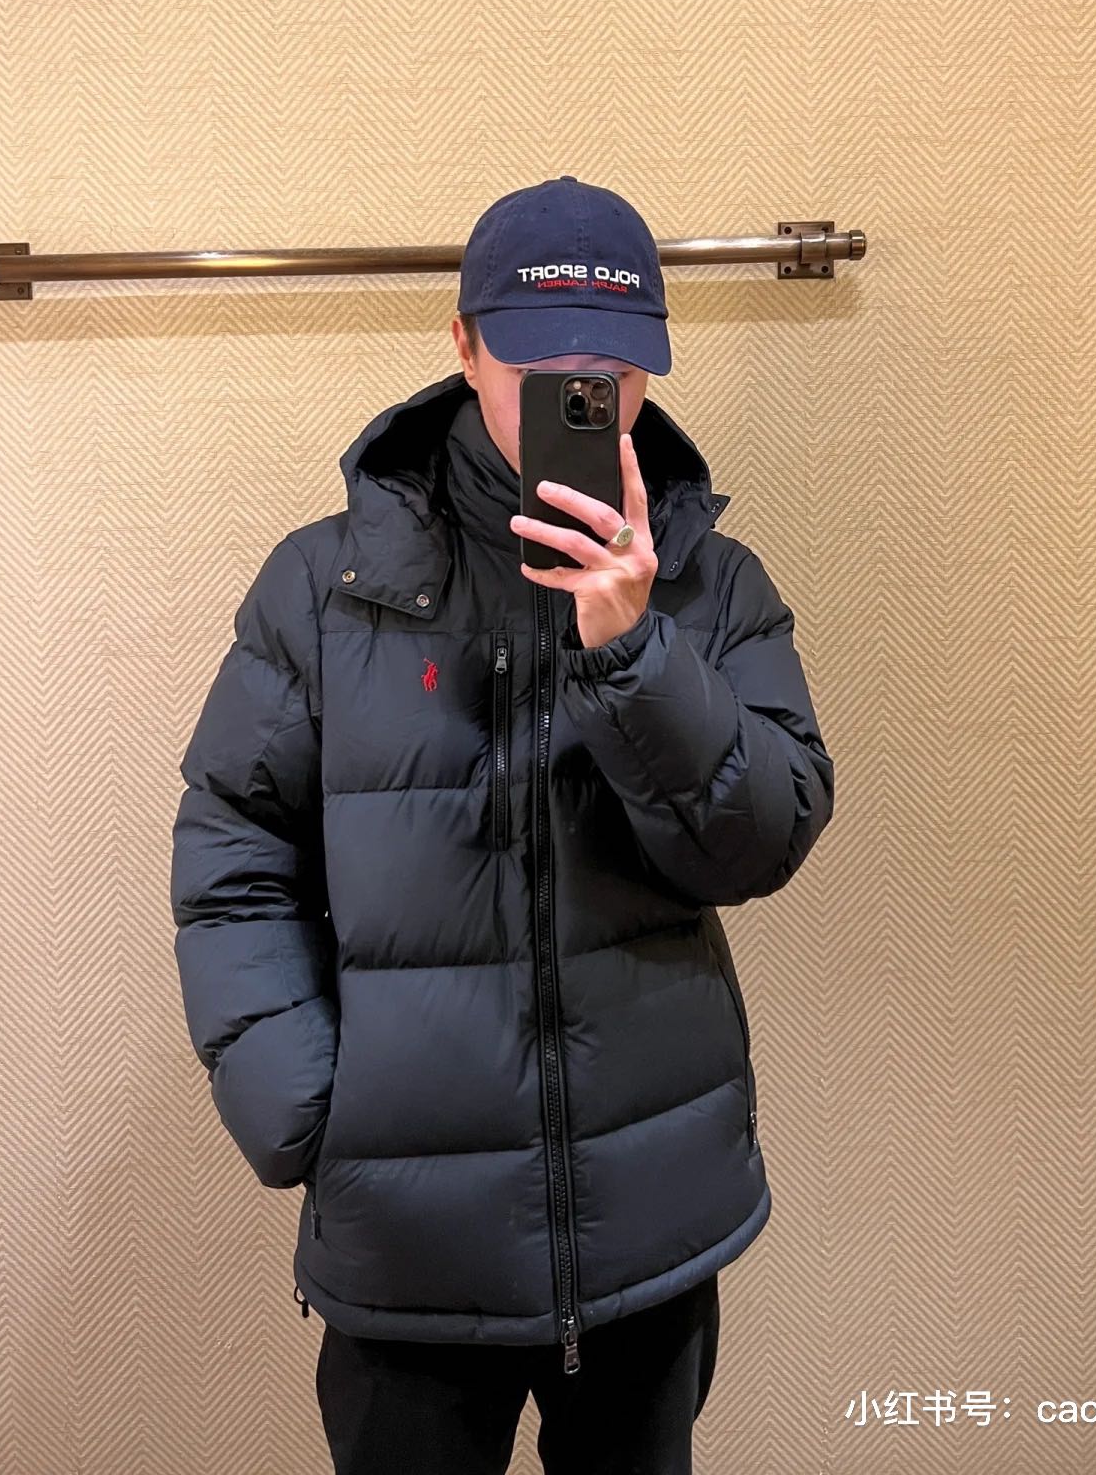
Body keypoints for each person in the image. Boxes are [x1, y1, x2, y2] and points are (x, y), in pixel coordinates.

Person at [169, 175, 836, 1474]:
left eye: (610, 377)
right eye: (538, 369)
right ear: (464, 345)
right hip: (408, 1243)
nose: (577, 405)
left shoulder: (710, 586)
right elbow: (232, 851)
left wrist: (632, 647)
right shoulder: (326, 587)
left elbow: (761, 840)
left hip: (648, 1223)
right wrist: (307, 1106)